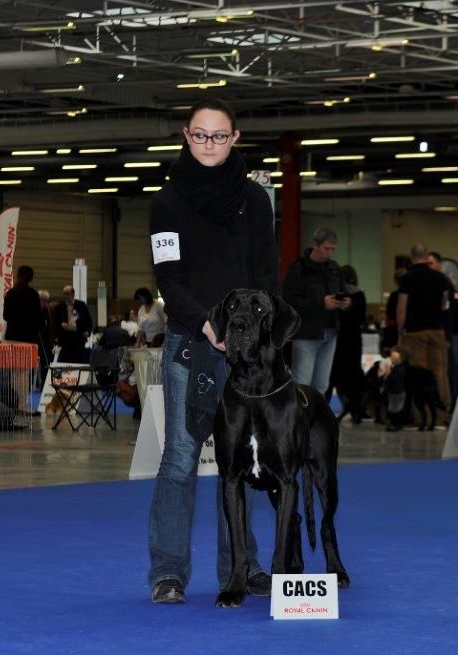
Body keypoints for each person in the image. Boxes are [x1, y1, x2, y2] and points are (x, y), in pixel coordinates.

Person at [146, 97, 279, 605]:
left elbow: (267, 278)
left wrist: (260, 339)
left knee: (242, 461)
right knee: (180, 458)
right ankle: (168, 571)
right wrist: (207, 324)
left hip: (246, 352)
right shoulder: (167, 203)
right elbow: (169, 281)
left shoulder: (255, 202)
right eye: (200, 135)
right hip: (189, 342)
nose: (209, 144)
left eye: (219, 136)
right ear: (185, 135)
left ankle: (239, 568)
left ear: (235, 139)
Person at [283, 227, 350, 394]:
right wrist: (321, 303)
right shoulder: (298, 268)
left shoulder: (334, 268)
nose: (330, 253)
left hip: (331, 332)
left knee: (321, 384)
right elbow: (289, 299)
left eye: (333, 249)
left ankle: (314, 418)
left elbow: (343, 291)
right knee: (302, 383)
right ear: (315, 244)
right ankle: (299, 419)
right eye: (327, 248)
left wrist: (346, 302)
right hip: (306, 334)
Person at [396, 244, 452, 410]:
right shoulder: (441, 278)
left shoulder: (407, 278)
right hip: (437, 329)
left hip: (415, 332)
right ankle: (442, 413)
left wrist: (400, 331)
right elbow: (444, 305)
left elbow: (401, 308)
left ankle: (421, 415)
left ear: (411, 257)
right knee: (440, 372)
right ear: (427, 256)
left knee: (418, 373)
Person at [327, 264, 367, 423]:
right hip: (353, 341)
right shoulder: (359, 295)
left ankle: (324, 409)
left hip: (336, 339)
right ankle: (356, 410)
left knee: (331, 376)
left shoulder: (332, 296)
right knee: (353, 376)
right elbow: (362, 319)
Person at [4, 265, 48, 365]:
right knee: (26, 370)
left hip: (12, 337)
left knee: (13, 367)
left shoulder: (10, 293)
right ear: (31, 278)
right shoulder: (33, 294)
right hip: (29, 339)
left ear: (18, 275)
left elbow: (5, 315)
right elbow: (38, 318)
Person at [53, 285, 92, 363]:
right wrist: (57, 336)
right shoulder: (59, 307)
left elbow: (88, 320)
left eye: (67, 294)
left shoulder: (81, 305)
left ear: (73, 294)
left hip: (79, 338)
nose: (65, 296)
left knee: (79, 362)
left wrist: (88, 332)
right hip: (65, 340)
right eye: (64, 294)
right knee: (65, 363)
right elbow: (56, 323)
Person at [382, 268, 407, 353]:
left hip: (393, 330)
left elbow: (389, 314)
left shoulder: (394, 295)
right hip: (408, 329)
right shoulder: (413, 295)